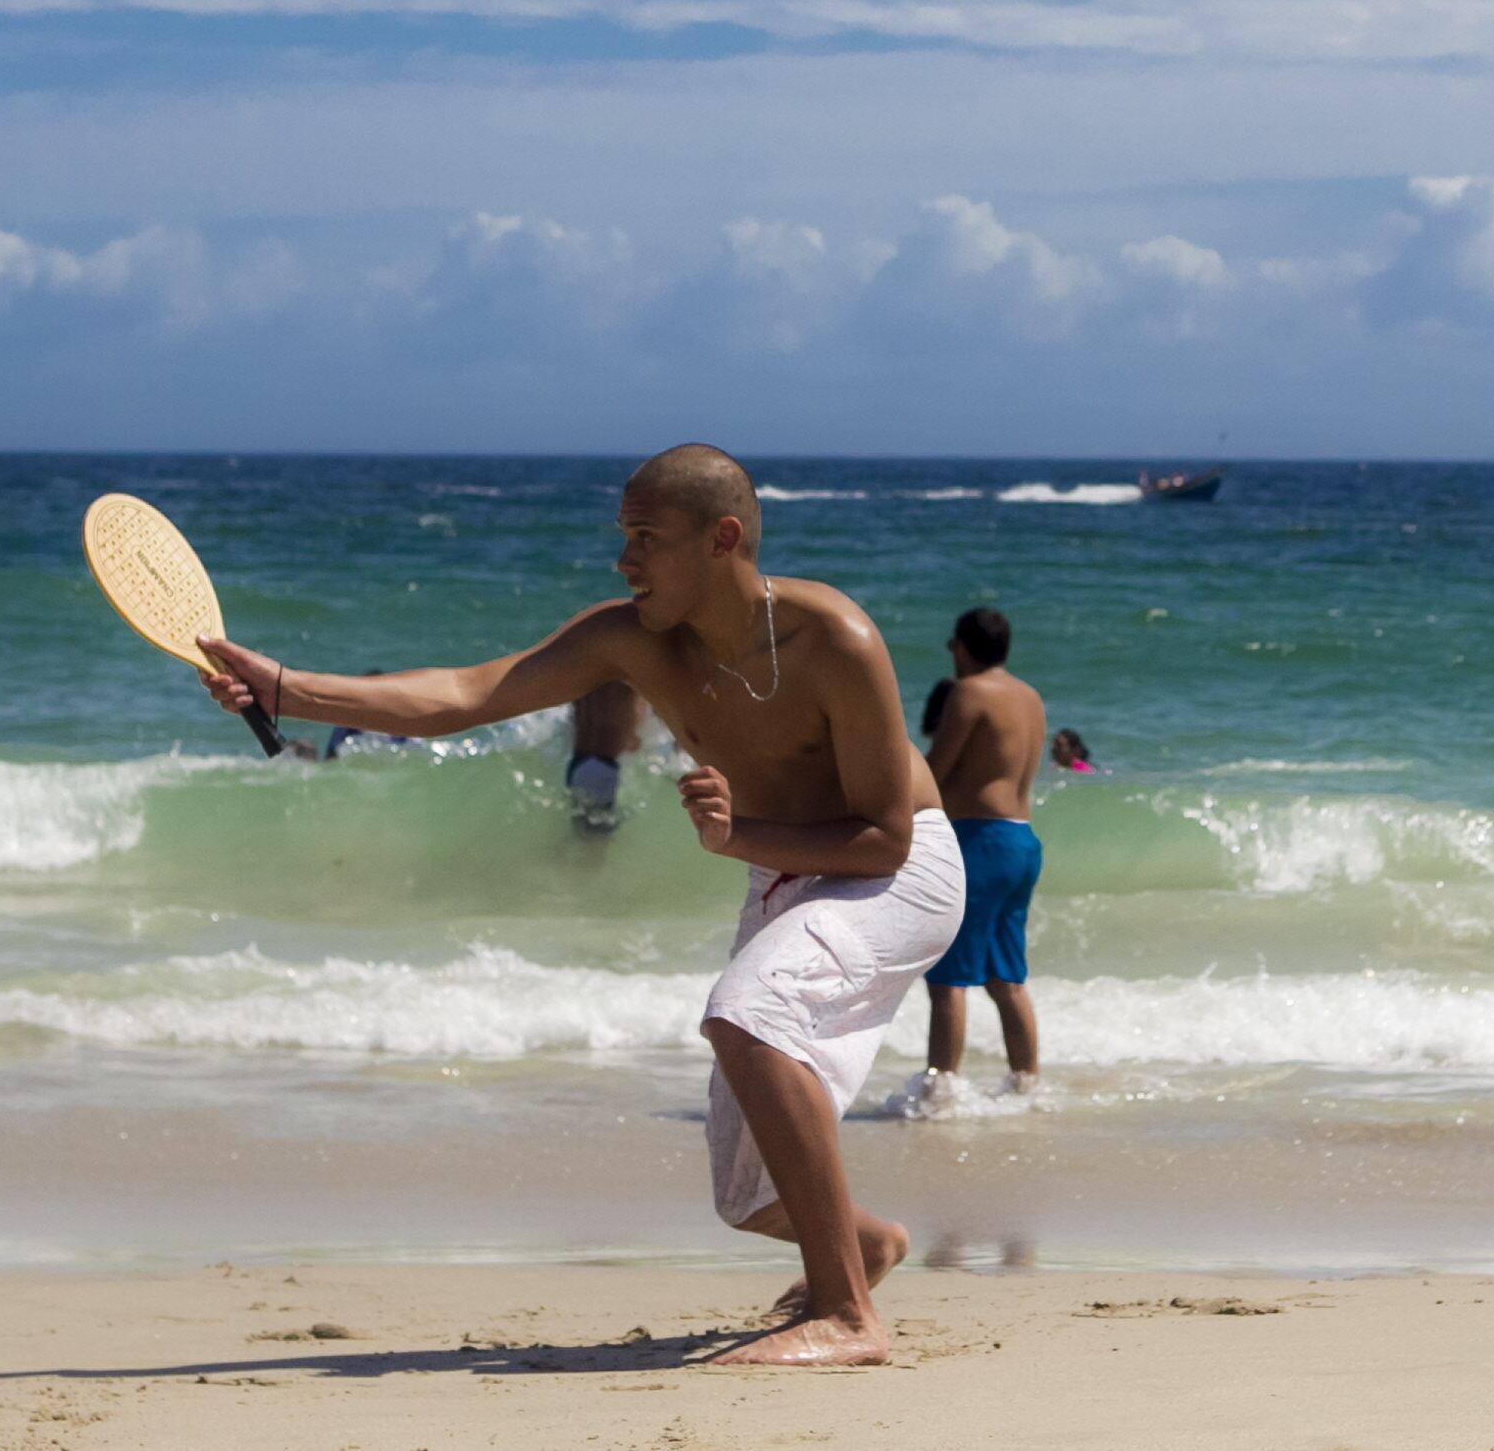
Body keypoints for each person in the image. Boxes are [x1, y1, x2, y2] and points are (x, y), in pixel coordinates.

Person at [190, 445, 957, 1368]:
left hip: (900, 872)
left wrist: (737, 838)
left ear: (724, 538)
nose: (623, 560)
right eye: (622, 537)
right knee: (745, 1192)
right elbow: (466, 694)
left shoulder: (834, 638)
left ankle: (847, 1318)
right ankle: (864, 1247)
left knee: (748, 1013)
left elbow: (885, 838)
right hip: (784, 872)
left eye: (645, 539)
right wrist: (286, 687)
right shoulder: (628, 637)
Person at [918, 606, 1045, 1099]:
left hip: (978, 841)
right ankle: (1026, 1084)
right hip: (1020, 841)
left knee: (948, 979)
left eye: (953, 644)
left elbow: (937, 769)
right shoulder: (1030, 697)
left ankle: (940, 1094)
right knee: (1004, 977)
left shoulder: (970, 692)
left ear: (964, 647)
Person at [567, 678, 643, 830]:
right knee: (593, 849)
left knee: (581, 839)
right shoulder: (632, 666)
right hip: (603, 769)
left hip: (578, 762)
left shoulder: (584, 661)